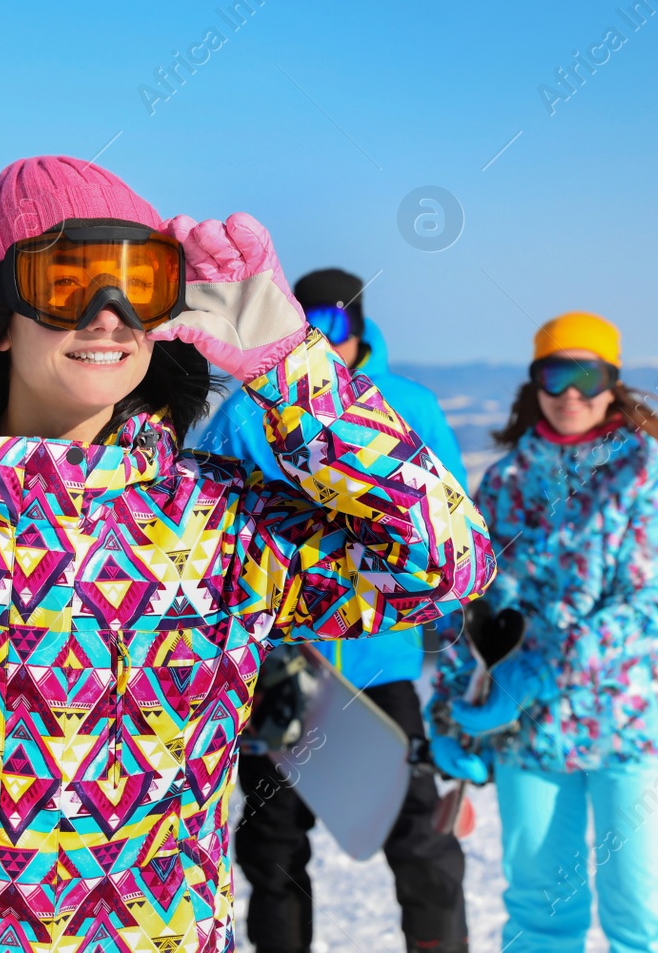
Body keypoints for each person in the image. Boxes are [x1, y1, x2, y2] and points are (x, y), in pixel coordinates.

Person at [0, 156, 495, 953]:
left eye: (138, 283)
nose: (109, 313)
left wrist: (291, 365)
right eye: (69, 281)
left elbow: (444, 562)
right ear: (3, 315)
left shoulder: (215, 520)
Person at [197, 267, 470, 953]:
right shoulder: (243, 410)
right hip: (284, 668)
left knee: (420, 841)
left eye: (336, 323)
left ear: (360, 324)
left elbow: (451, 523)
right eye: (307, 320)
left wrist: (461, 650)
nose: (321, 336)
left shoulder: (407, 405)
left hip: (381, 669)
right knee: (274, 847)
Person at [429, 311, 658, 953]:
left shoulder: (646, 478)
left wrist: (540, 672)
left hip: (631, 725)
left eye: (589, 375)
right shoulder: (504, 485)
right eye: (558, 373)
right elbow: (464, 604)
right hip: (530, 733)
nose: (572, 392)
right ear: (536, 382)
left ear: (612, 384)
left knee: (645, 913)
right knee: (539, 911)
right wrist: (452, 712)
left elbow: (653, 607)